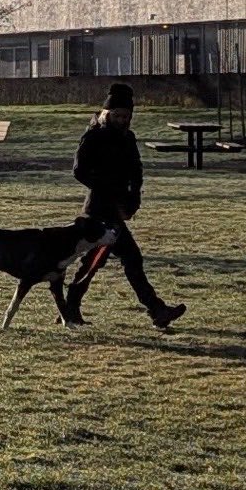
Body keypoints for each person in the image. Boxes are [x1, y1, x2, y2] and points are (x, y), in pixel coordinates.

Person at [64, 82, 186, 330]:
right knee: (99, 261)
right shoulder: (93, 136)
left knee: (122, 259)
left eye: (126, 116)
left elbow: (136, 171)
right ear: (107, 114)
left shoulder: (128, 138)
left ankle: (156, 310)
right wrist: (108, 192)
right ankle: (155, 310)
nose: (122, 120)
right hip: (99, 212)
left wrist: (132, 201)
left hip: (118, 211)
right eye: (117, 115)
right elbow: (79, 171)